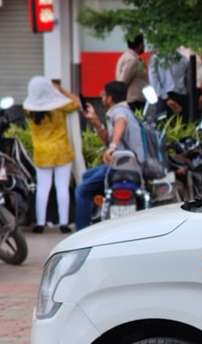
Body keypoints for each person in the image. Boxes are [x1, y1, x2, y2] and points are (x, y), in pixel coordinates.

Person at [76, 81, 147, 230]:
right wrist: (95, 121)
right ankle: (98, 210)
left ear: (109, 98)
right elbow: (108, 138)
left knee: (81, 190)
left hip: (122, 167)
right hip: (127, 166)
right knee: (86, 175)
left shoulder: (119, 111)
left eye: (103, 95)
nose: (101, 98)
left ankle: (80, 231)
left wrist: (112, 148)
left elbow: (121, 123)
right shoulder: (124, 110)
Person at [23, 77, 81, 234]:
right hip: (62, 151)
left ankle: (40, 223)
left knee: (42, 188)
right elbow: (76, 102)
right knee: (62, 188)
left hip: (42, 153)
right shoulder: (60, 107)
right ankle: (64, 223)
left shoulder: (29, 110)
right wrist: (60, 89)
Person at [149, 48, 190, 121]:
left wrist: (165, 98)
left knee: (163, 127)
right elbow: (187, 79)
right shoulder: (183, 58)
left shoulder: (155, 58)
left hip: (164, 98)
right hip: (181, 97)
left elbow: (153, 80)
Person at [116, 34, 148, 112]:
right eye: (143, 44)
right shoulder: (131, 59)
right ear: (140, 45)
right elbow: (122, 82)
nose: (144, 46)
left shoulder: (131, 57)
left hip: (136, 102)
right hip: (133, 103)